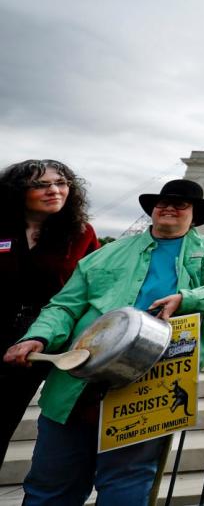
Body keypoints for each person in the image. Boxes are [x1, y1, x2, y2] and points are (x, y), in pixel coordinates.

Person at [3, 179, 204, 506]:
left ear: (195, 214)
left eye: (180, 204)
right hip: (79, 380)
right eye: (162, 202)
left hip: (151, 382)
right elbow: (65, 306)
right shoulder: (107, 254)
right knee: (51, 484)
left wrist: (186, 299)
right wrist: (37, 337)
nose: (168, 207)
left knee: (125, 486)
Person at [0, 160, 100, 466]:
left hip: (35, 342)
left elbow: (92, 288)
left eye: (61, 182)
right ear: (17, 191)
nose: (54, 191)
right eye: (41, 185)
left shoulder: (81, 234)